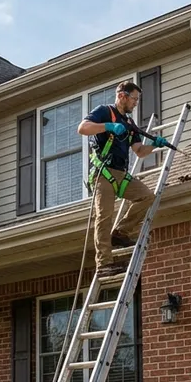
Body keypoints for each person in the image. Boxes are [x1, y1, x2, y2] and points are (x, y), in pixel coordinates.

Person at [77, 81, 170, 277]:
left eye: (137, 100)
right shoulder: (104, 111)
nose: (136, 103)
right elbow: (83, 128)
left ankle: (121, 233)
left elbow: (139, 151)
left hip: (122, 174)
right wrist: (108, 126)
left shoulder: (129, 124)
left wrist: (155, 144)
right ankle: (104, 264)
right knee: (104, 216)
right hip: (104, 172)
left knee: (147, 197)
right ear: (122, 96)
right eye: (134, 99)